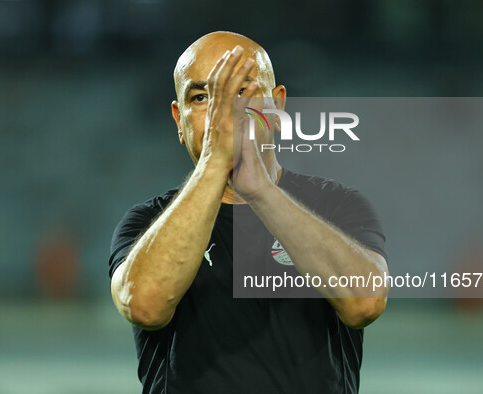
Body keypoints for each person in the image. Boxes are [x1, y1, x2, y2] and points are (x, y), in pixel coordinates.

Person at [109, 31, 389, 393]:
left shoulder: (338, 206)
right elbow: (144, 306)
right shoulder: (146, 223)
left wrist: (259, 189)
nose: (221, 113)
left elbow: (365, 303)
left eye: (242, 91)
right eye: (201, 97)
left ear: (277, 108)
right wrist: (215, 164)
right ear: (179, 120)